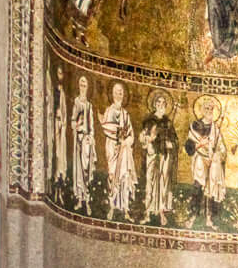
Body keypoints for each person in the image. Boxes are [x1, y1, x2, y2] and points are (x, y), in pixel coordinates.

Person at [186, 98, 227, 225]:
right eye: (207, 108)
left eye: (211, 109)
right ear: (202, 110)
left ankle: (209, 217)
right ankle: (193, 214)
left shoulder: (215, 128)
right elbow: (188, 146)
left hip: (213, 161)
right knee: (198, 186)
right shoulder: (195, 126)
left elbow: (221, 147)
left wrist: (217, 155)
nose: (209, 111)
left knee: (211, 188)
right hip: (199, 160)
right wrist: (200, 144)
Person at [139, 91, 178, 223]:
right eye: (158, 102)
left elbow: (175, 140)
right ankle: (147, 212)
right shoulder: (149, 121)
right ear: (154, 104)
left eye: (163, 103)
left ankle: (161, 211)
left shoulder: (168, 122)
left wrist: (170, 144)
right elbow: (143, 137)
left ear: (166, 106)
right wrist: (148, 139)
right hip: (152, 155)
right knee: (150, 182)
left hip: (164, 156)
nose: (161, 105)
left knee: (163, 184)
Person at [100, 81, 137, 220]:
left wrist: (126, 142)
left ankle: (125, 209)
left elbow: (131, 134)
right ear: (112, 94)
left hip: (124, 150)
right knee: (112, 176)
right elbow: (106, 128)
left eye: (121, 92)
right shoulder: (109, 111)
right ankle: (112, 207)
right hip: (112, 148)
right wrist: (118, 137)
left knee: (124, 178)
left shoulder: (126, 114)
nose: (119, 94)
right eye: (116, 92)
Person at [70, 75, 96, 211]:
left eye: (85, 85)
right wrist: (78, 125)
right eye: (81, 84)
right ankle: (80, 199)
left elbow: (91, 125)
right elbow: (72, 121)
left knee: (86, 170)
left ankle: (87, 199)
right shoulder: (76, 102)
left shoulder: (89, 105)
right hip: (79, 140)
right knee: (79, 169)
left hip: (87, 141)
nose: (83, 87)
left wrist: (90, 137)